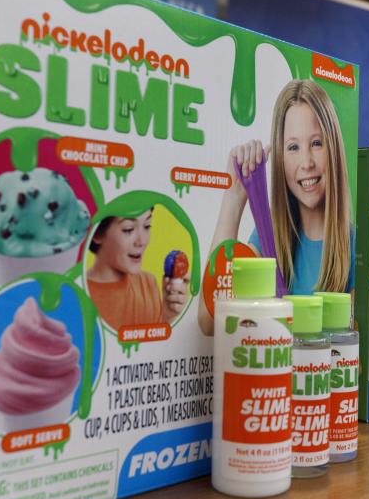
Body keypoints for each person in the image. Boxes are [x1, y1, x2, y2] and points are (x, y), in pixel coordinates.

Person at [198, 80, 353, 334]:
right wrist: (234, 198)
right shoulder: (267, 238)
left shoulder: (353, 245)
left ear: (333, 149)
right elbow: (209, 320)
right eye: (293, 147)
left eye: (316, 143)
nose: (307, 162)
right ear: (280, 158)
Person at [86, 209, 189, 331]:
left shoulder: (148, 283)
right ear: (97, 233)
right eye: (128, 229)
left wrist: (168, 317)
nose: (142, 241)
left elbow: (153, 347)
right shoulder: (78, 292)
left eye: (147, 226)